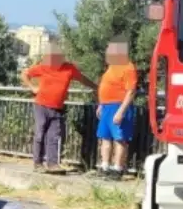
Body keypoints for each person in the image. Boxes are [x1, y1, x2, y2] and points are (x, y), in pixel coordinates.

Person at [22, 42, 97, 174]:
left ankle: (52, 164)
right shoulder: (43, 67)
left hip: (57, 107)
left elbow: (82, 79)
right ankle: (38, 163)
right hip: (41, 105)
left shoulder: (69, 68)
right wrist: (32, 87)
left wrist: (96, 87)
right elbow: (25, 74)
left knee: (54, 136)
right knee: (40, 133)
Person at [94, 37, 138, 180]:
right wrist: (101, 104)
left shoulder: (128, 67)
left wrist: (121, 111)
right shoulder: (112, 67)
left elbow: (130, 91)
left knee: (120, 139)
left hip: (118, 106)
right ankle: (104, 166)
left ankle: (117, 169)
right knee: (105, 138)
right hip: (106, 107)